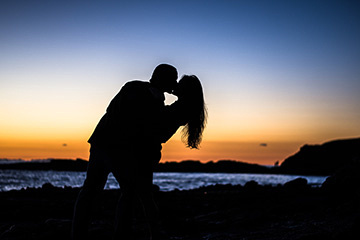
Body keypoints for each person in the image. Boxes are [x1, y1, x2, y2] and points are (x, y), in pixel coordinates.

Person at [71, 64, 178, 240]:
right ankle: (120, 235)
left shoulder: (133, 86)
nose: (174, 83)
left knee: (91, 190)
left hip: (102, 142)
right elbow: (148, 129)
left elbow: (112, 110)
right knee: (128, 192)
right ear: (163, 80)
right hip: (118, 149)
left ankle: (78, 235)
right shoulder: (149, 97)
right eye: (172, 79)